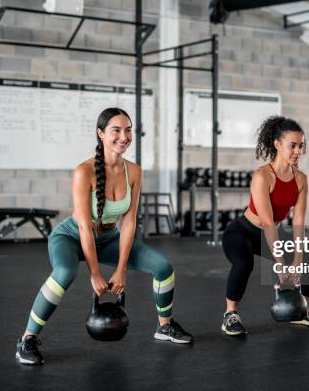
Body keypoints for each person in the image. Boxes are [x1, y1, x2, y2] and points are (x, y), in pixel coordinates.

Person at [16, 108, 192, 366]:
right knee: (65, 273)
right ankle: (27, 339)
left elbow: (130, 221)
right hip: (72, 236)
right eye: (116, 130)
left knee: (164, 268)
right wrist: (95, 273)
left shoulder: (134, 171)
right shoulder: (83, 172)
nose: (124, 136)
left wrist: (121, 269)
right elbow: (85, 228)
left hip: (109, 238)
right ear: (100, 134)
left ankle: (164, 326)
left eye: (128, 129)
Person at [220, 115, 309, 336]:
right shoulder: (262, 176)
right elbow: (268, 223)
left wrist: (297, 260)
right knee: (243, 263)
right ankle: (230, 314)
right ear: (277, 145)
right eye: (293, 146)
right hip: (243, 232)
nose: (298, 151)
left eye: (301, 146)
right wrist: (280, 264)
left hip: (271, 233)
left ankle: (301, 306)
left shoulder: (301, 179)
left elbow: (298, 221)